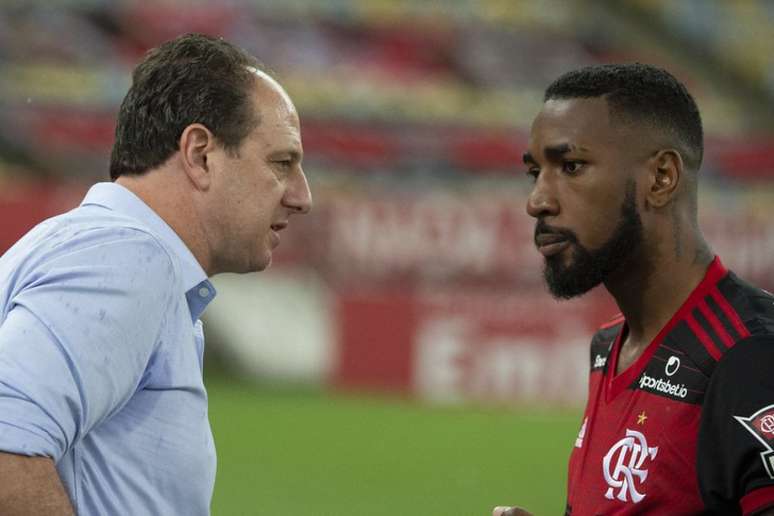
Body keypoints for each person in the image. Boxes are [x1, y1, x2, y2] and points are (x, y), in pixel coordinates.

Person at [0, 33, 312, 515]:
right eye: (281, 163)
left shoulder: (100, 248)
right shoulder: (126, 261)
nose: (301, 195)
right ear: (200, 154)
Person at [493, 64, 774, 515]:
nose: (537, 201)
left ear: (661, 178)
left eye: (571, 166)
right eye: (535, 172)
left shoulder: (751, 356)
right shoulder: (608, 348)